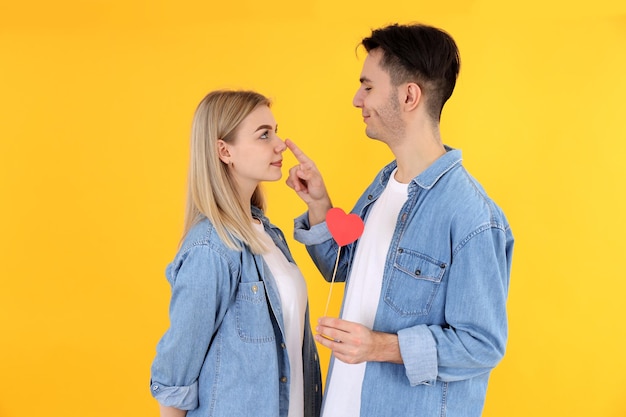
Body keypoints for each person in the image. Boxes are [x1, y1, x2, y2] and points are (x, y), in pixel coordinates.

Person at [285, 23, 514, 417]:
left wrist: (379, 346)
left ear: (409, 96)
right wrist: (320, 204)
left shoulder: (472, 215)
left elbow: (483, 345)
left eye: (368, 87)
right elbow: (342, 270)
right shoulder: (383, 184)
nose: (357, 99)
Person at [150, 90, 322, 417]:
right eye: (263, 135)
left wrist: (318, 204)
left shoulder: (269, 235)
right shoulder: (210, 248)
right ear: (224, 150)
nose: (279, 144)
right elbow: (176, 374)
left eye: (275, 130)